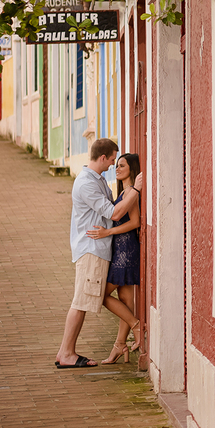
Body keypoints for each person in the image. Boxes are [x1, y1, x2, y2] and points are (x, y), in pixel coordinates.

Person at [54, 138, 143, 369]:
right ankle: (66, 353)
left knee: (86, 299)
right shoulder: (87, 183)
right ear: (103, 157)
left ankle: (76, 350)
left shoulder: (98, 179)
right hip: (91, 249)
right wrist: (136, 189)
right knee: (81, 301)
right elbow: (114, 213)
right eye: (112, 159)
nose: (114, 164)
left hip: (100, 249)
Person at [86, 153, 143, 364]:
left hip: (125, 252)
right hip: (121, 250)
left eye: (122, 165)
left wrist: (107, 233)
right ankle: (120, 345)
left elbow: (135, 222)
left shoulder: (130, 192)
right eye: (116, 165)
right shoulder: (125, 192)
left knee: (100, 295)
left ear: (131, 169)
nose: (117, 169)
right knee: (126, 301)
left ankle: (136, 326)